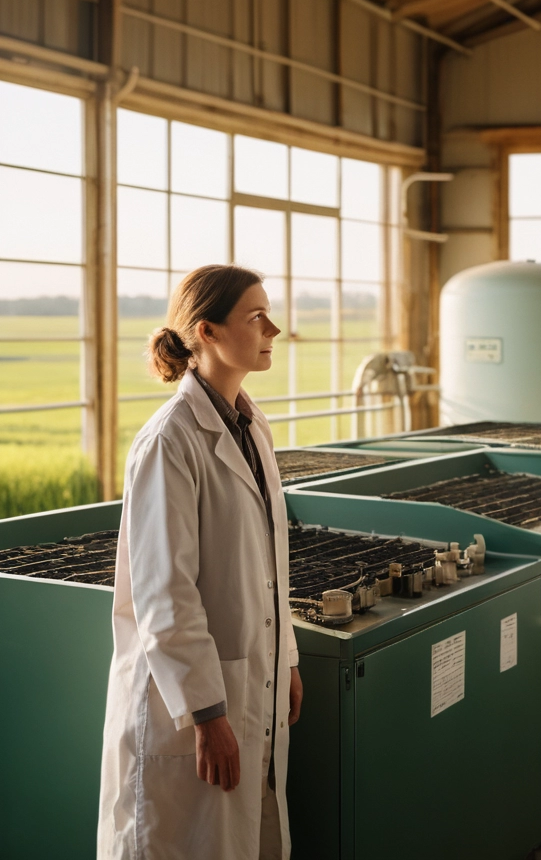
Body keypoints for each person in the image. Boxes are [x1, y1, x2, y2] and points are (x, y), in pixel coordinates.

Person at [98, 264, 303, 860]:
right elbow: (167, 591)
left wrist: (285, 656)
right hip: (187, 705)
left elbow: (268, 566)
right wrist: (208, 714)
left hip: (248, 678)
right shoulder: (171, 440)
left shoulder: (247, 423)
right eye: (255, 316)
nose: (274, 328)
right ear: (207, 332)